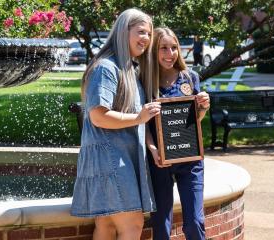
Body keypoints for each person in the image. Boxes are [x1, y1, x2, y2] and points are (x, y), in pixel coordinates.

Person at [69, 9, 160, 240]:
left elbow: (137, 118)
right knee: (132, 225)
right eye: (140, 32)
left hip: (114, 158)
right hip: (110, 159)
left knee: (107, 226)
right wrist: (139, 118)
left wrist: (150, 145)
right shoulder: (106, 68)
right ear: (123, 32)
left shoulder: (128, 68)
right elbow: (98, 116)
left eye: (148, 33)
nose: (146, 39)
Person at [141, 27, 211, 240]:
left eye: (174, 48)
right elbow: (141, 123)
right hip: (159, 160)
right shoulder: (144, 80)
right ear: (154, 50)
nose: (170, 54)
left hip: (190, 161)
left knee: (195, 223)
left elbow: (192, 122)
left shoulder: (190, 78)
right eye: (163, 48)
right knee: (161, 225)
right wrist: (153, 150)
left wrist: (203, 107)